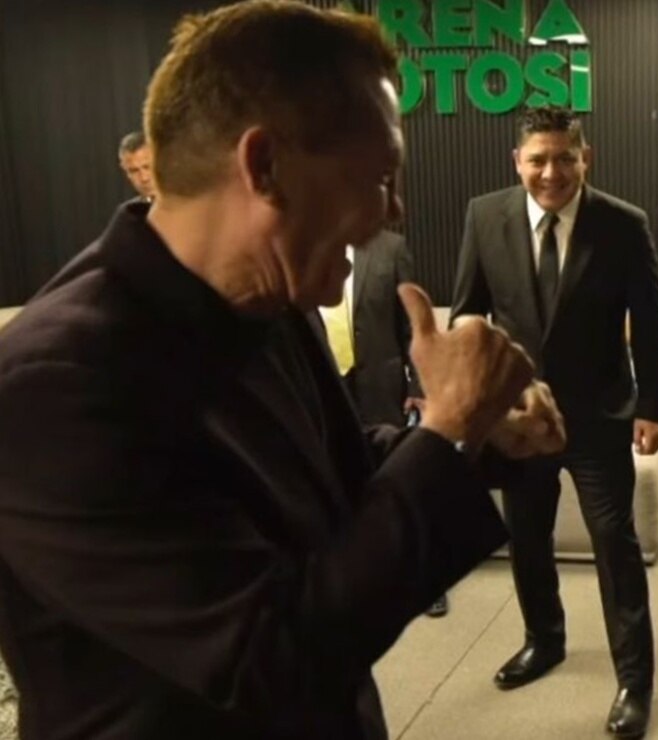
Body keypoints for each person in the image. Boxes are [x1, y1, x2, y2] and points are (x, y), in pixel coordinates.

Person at [0, 3, 566, 738]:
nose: (392, 213)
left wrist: (478, 433)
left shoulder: (270, 304)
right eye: (380, 178)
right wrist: (449, 427)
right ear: (264, 167)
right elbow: (268, 659)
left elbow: (333, 476)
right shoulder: (52, 385)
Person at [451, 105, 658, 738]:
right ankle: (543, 640)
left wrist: (651, 406)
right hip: (519, 422)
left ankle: (635, 680)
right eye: (538, 159)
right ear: (516, 161)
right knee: (527, 538)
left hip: (600, 416)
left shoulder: (624, 225)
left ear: (585, 157)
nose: (552, 172)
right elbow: (468, 315)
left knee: (614, 545)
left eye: (564, 158)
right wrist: (472, 400)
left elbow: (651, 322)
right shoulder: (484, 216)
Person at [318, 229, 450, 618]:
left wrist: (418, 384)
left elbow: (412, 325)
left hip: (380, 383)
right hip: (325, 382)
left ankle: (429, 581)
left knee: (402, 481)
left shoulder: (390, 248)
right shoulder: (299, 241)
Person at [118, 130, 156, 200]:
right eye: (134, 171)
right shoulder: (128, 210)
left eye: (147, 167)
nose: (144, 178)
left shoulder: (182, 205)